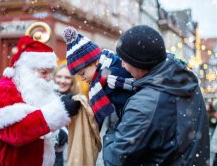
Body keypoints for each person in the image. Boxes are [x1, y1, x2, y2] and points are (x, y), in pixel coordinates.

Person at [103, 25, 210, 165]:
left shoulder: (145, 104)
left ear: (138, 63)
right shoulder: (185, 80)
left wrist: (112, 131)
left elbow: (115, 160)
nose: (122, 65)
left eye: (124, 60)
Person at [0, 36, 80, 166]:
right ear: (25, 70)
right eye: (44, 72)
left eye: (50, 73)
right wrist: (60, 110)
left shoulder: (29, 90)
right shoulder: (4, 89)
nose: (49, 78)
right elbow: (15, 133)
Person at [62, 27, 135, 128]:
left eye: (83, 73)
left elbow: (125, 110)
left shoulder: (112, 77)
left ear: (95, 62)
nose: (82, 78)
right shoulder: (103, 77)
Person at [53, 64, 79, 166]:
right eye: (59, 76)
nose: (62, 81)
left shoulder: (77, 99)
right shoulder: (44, 97)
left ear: (72, 80)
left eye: (67, 77)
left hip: (67, 155)